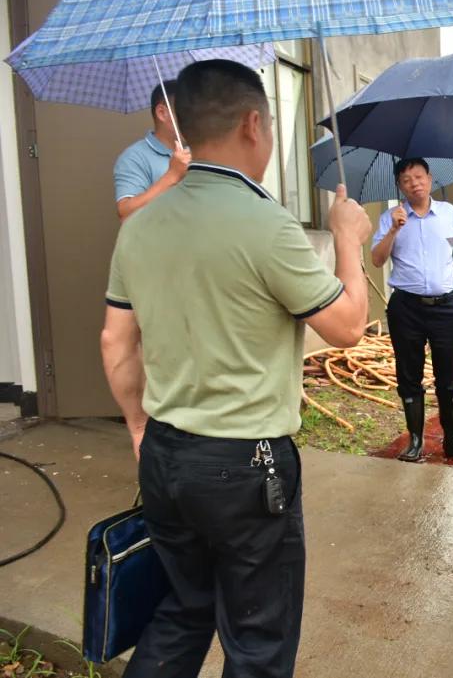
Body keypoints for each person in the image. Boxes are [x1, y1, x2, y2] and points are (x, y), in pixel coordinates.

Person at [100, 59, 372, 678]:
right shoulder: (266, 225)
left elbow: (116, 342)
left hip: (166, 455)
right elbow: (349, 327)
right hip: (246, 468)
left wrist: (141, 428)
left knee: (183, 610)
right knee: (258, 640)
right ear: (254, 124)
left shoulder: (139, 226)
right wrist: (348, 240)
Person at [371, 157, 453, 462]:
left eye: (419, 176)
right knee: (408, 375)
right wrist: (392, 230)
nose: (414, 183)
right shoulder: (391, 217)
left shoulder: (450, 214)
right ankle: (415, 440)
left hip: (446, 307)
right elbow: (376, 260)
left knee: (449, 377)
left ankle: (452, 440)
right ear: (399, 186)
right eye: (406, 179)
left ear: (429, 179)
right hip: (406, 308)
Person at [113, 79, 192, 221]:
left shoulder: (200, 150)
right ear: (162, 113)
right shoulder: (135, 157)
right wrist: (172, 175)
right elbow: (125, 214)